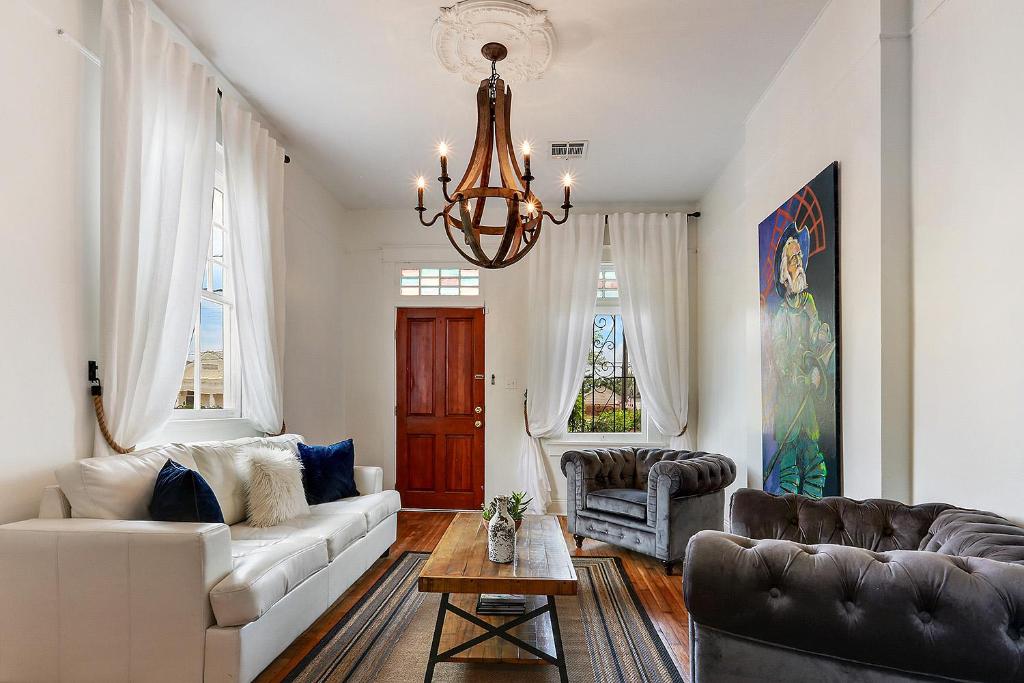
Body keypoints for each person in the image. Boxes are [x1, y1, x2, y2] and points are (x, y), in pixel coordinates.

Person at [765, 223, 835, 498]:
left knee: (815, 467)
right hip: (790, 404)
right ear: (785, 271)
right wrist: (802, 375)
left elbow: (818, 341)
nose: (799, 263)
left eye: (799, 258)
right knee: (790, 470)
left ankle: (813, 521)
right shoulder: (781, 315)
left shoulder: (810, 304)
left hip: (808, 408)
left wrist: (822, 342)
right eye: (793, 259)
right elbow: (782, 357)